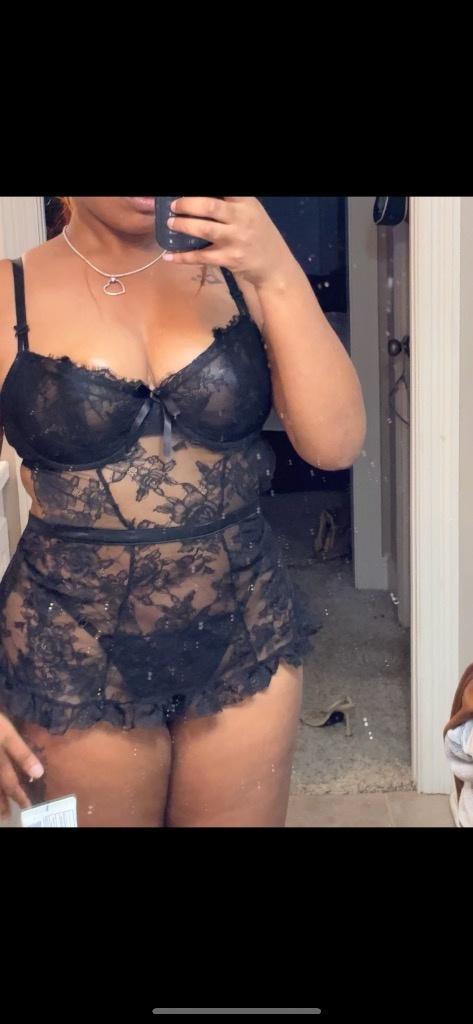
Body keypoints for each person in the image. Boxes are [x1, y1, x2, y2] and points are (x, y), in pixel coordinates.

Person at [0, 196, 366, 827]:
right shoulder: (10, 292)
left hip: (247, 631)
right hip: (65, 655)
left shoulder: (241, 271)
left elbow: (335, 445)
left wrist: (277, 271)